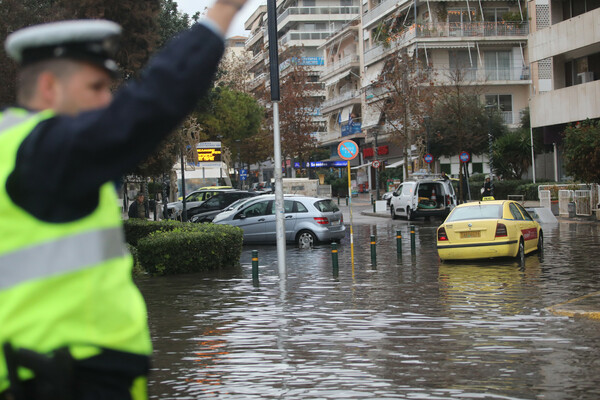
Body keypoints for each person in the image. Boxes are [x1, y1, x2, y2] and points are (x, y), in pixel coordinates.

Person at [0, 1, 247, 399]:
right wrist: (222, 14)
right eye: (96, 88)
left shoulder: (14, 148)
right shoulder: (46, 153)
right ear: (49, 87)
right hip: (63, 379)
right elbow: (150, 104)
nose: (106, 102)